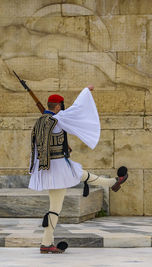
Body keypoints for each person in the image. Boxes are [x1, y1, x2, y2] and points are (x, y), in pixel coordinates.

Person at [28, 85, 128, 254]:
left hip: (49, 168)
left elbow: (41, 145)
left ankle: (112, 182)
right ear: (58, 107)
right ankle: (46, 243)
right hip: (58, 169)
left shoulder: (40, 122)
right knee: (55, 208)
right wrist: (86, 90)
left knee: (82, 175)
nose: (63, 109)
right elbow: (77, 108)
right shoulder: (58, 119)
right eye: (61, 106)